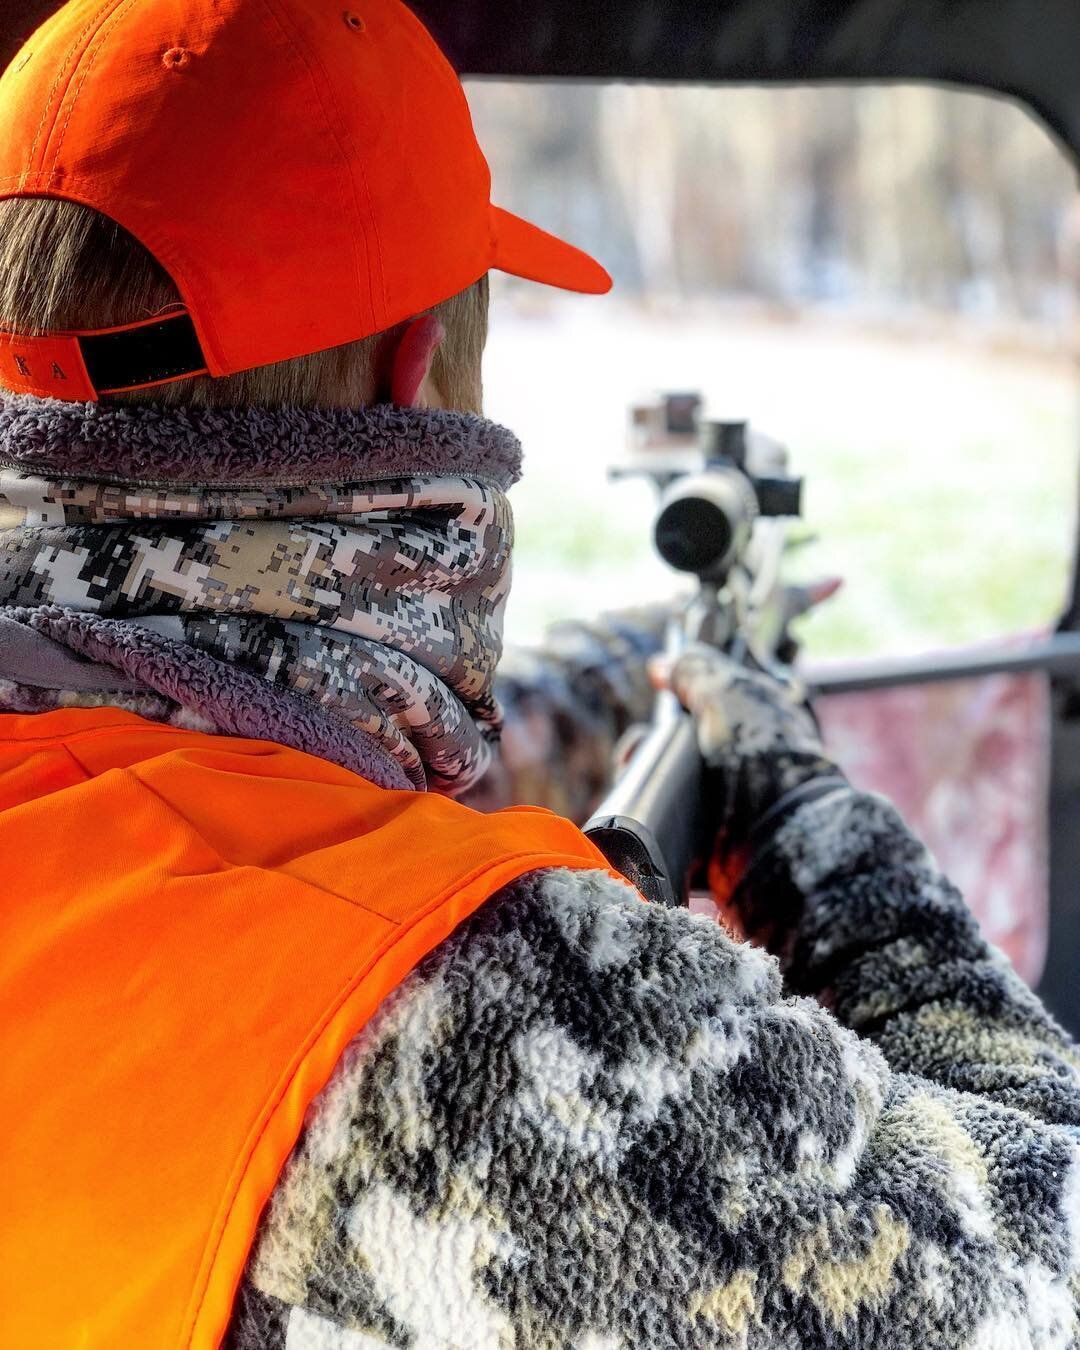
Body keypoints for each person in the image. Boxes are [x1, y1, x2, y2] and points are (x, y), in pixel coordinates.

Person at [1, 2, 1079, 1348]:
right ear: (418, 379)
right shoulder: (490, 1020)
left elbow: (230, 718)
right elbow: (1048, 1271)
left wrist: (642, 664)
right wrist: (817, 831)